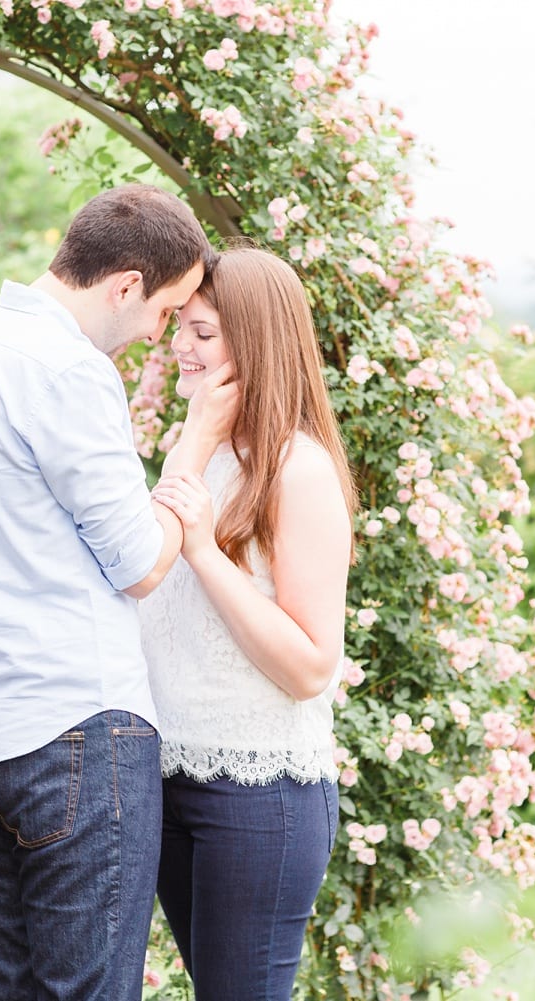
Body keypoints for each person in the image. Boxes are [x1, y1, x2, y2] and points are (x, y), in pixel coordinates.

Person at [0, 184, 238, 1001]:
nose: (156, 334)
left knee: (6, 987)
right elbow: (140, 562)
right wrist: (192, 452)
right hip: (78, 729)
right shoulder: (71, 370)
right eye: (166, 311)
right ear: (126, 284)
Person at [141, 247, 356, 1000]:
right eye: (180, 327)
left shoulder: (297, 469)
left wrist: (203, 551)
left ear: (254, 339)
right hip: (172, 779)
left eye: (202, 332)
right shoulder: (195, 451)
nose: (180, 347)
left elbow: (308, 666)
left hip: (261, 792)